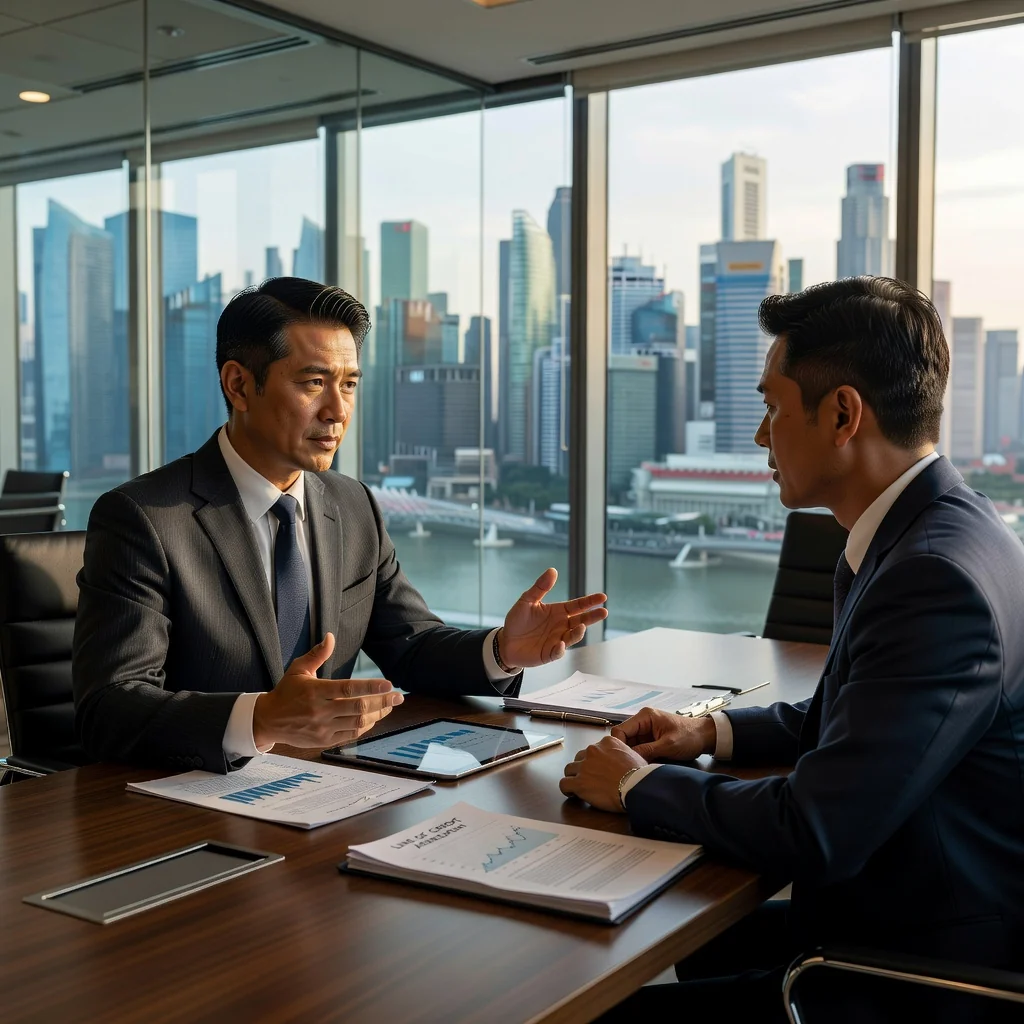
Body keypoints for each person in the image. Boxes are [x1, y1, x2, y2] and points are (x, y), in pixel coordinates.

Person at [560, 277, 1024, 1021]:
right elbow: (865, 712)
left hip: (916, 976)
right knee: (664, 929)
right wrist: (711, 730)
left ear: (842, 414)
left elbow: (818, 829)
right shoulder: (943, 529)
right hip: (901, 911)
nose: (758, 435)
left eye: (772, 408)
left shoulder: (934, 578)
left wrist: (637, 785)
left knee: (595, 1000)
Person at [73, 277, 606, 774]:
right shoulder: (145, 519)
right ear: (238, 384)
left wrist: (501, 650)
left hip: (325, 790)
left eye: (348, 385)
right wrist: (261, 719)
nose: (337, 411)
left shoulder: (353, 506)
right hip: (188, 803)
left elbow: (411, 645)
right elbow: (110, 707)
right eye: (313, 382)